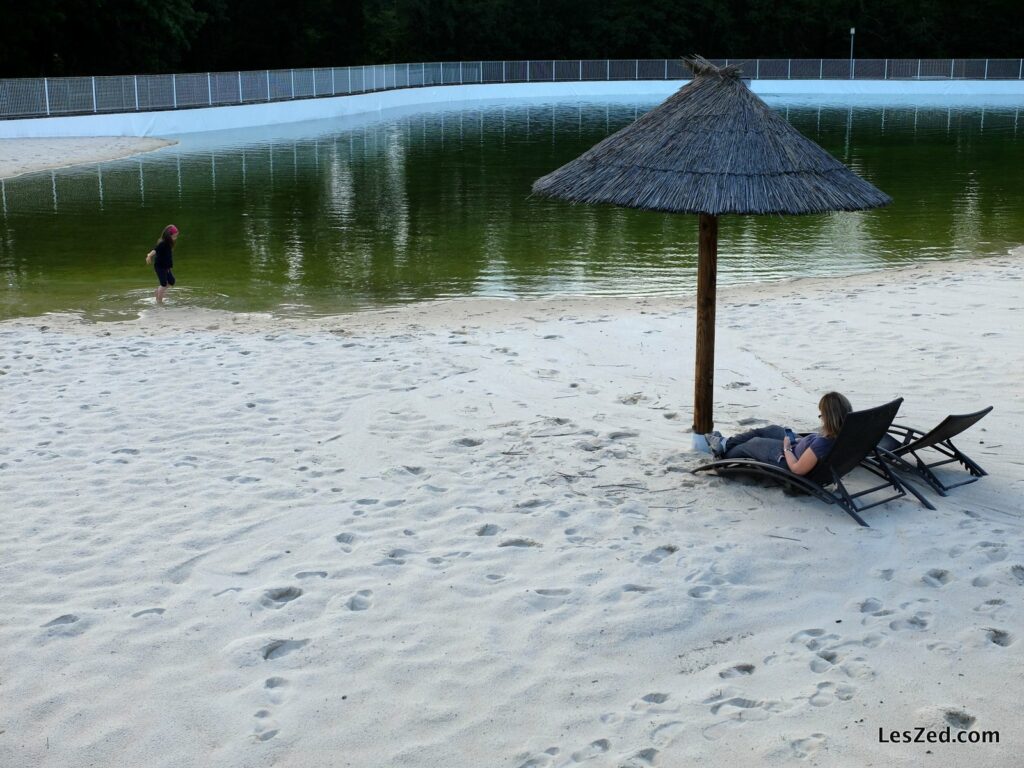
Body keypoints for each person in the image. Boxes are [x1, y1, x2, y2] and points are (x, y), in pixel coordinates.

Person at [704, 392, 853, 476]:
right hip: (799, 447)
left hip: (785, 458)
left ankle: (723, 456)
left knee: (753, 443)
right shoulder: (845, 434)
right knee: (771, 430)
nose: (821, 419)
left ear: (830, 417)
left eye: (822, 415)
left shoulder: (823, 443)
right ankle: (724, 443)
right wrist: (803, 440)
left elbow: (797, 469)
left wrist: (787, 448)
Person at [145, 224, 179, 304]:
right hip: (160, 267)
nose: (175, 238)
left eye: (176, 236)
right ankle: (159, 302)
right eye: (174, 236)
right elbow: (155, 250)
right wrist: (149, 256)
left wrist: (169, 267)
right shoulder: (162, 243)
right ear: (168, 236)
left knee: (171, 281)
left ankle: (158, 291)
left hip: (166, 267)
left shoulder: (169, 243)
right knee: (163, 284)